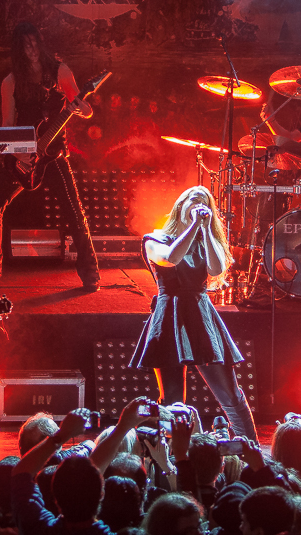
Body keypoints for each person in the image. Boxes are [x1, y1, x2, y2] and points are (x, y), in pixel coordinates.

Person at [128, 186, 257, 440]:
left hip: (201, 316)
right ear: (180, 205)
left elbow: (216, 269)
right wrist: (194, 226)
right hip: (170, 317)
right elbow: (171, 259)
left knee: (230, 393)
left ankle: (250, 449)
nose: (199, 205)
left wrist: (206, 230)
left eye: (205, 202)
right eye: (194, 199)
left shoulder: (205, 240)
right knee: (173, 400)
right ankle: (173, 455)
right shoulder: (154, 239)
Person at [0, 21, 98, 288]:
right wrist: (17, 155)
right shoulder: (11, 81)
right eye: (26, 45)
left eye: (35, 43)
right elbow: (7, 125)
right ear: (19, 49)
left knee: (74, 211)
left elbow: (85, 108)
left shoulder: (60, 71)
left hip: (54, 153)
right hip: (22, 155)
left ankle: (90, 272)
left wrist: (82, 108)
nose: (32, 49)